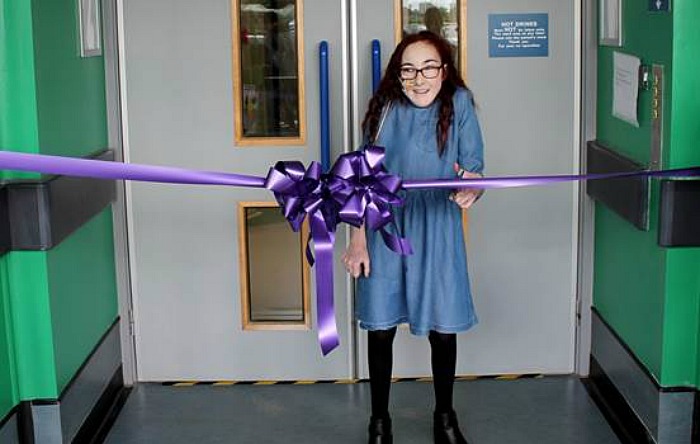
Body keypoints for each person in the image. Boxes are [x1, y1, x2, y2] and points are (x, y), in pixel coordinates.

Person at [342, 31, 484, 444]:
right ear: (397, 75)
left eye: (428, 68)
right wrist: (357, 239)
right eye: (408, 70)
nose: (419, 79)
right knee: (381, 328)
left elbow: (475, 170)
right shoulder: (385, 108)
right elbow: (359, 178)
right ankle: (380, 422)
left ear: (444, 70)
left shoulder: (458, 104)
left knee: (443, 330)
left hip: (437, 226)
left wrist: (471, 187)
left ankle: (444, 418)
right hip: (385, 226)